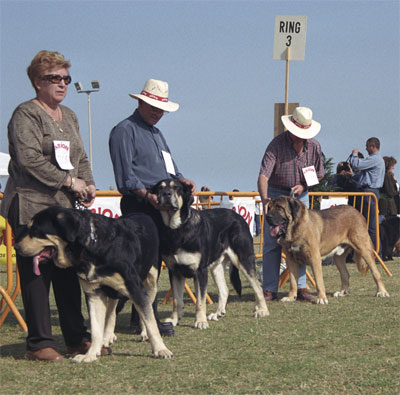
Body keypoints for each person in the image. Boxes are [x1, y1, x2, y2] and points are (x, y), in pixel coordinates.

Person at [0, 50, 108, 362]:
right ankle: (39, 344)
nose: (61, 84)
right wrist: (68, 181)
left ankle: (76, 339)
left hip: (64, 212)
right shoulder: (26, 115)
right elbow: (28, 159)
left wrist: (87, 183)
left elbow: (81, 158)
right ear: (36, 82)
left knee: (67, 272)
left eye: (65, 78)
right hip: (30, 205)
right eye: (53, 78)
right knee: (37, 273)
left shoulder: (71, 116)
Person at [109, 78, 196, 336]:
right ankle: (143, 317)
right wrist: (148, 196)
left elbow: (170, 169)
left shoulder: (157, 134)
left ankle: (141, 318)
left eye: (161, 110)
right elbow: (125, 177)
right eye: (153, 108)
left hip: (161, 205)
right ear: (140, 102)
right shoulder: (124, 131)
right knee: (139, 263)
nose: (158, 114)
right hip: (140, 205)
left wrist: (182, 180)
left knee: (152, 265)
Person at [257, 106, 325, 301]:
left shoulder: (314, 146)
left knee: (302, 242)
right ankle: (270, 289)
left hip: (301, 196)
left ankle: (301, 288)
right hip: (276, 195)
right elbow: (263, 175)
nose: (302, 137)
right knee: (272, 242)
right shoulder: (276, 145)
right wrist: (265, 200)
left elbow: (320, 173)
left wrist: (304, 185)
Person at [349, 137, 385, 250]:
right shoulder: (378, 160)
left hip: (369, 193)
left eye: (367, 146)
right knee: (369, 224)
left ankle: (374, 253)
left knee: (370, 225)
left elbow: (357, 165)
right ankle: (373, 252)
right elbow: (366, 176)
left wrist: (354, 154)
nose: (365, 148)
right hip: (371, 192)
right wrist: (353, 176)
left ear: (372, 146)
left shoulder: (374, 159)